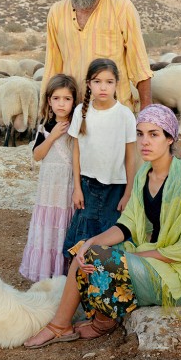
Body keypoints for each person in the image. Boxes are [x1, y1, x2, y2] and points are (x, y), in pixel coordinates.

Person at [23, 104, 181, 348]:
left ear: (170, 138)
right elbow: (127, 224)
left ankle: (101, 322)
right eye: (140, 134)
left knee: (104, 259)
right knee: (84, 250)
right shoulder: (144, 174)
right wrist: (91, 242)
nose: (144, 141)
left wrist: (129, 258)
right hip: (158, 261)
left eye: (154, 134)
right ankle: (62, 325)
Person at [41, 0, 153, 110]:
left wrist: (147, 110)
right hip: (74, 113)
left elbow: (139, 65)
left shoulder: (121, 7)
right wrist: (46, 112)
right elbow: (52, 67)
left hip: (115, 112)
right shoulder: (56, 12)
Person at [62, 58, 137, 258]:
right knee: (82, 237)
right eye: (97, 81)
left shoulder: (125, 115)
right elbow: (76, 152)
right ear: (88, 84)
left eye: (109, 82)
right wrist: (77, 188)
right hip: (88, 186)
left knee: (112, 238)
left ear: (116, 83)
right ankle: (79, 275)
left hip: (116, 188)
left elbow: (131, 157)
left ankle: (107, 277)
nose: (103, 87)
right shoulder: (81, 112)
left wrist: (128, 193)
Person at [19, 73, 80, 281]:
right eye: (56, 98)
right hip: (49, 189)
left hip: (68, 187)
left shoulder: (76, 126)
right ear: (49, 101)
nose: (61, 104)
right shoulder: (45, 126)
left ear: (74, 101)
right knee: (49, 227)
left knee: (65, 226)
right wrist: (52, 136)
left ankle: (64, 273)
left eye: (67, 98)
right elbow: (37, 155)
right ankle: (47, 272)